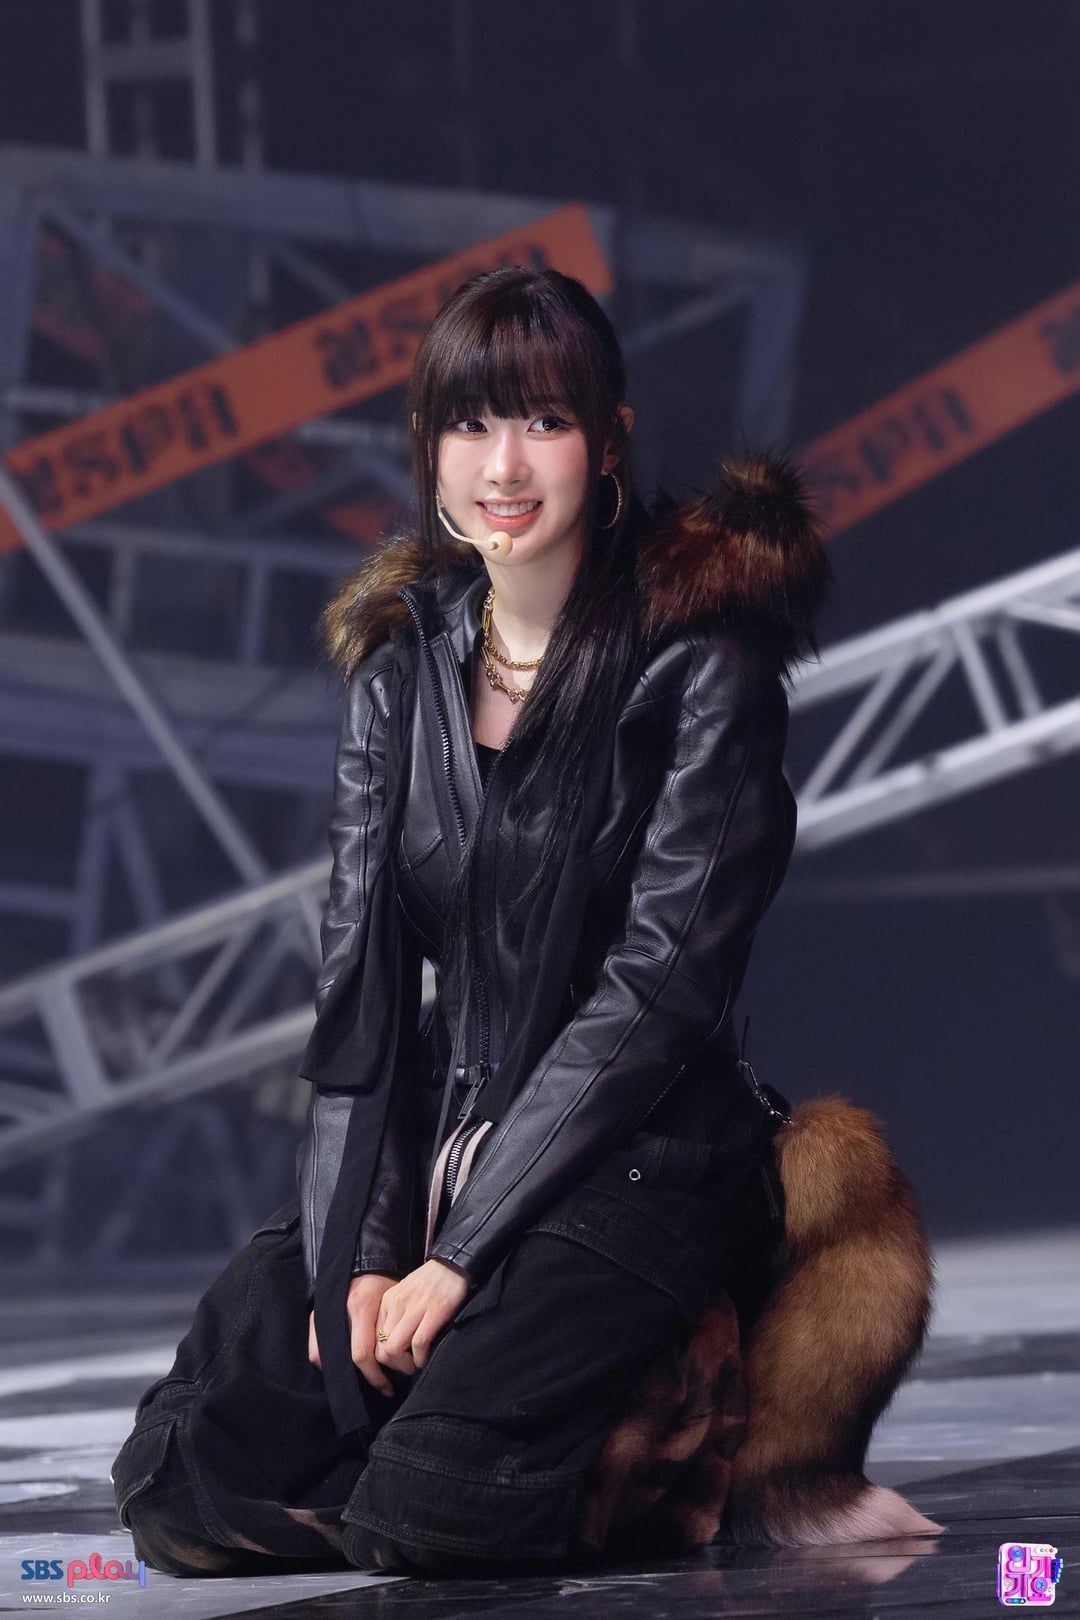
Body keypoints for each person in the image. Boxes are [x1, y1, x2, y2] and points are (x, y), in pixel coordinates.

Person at [110, 267, 936, 1579]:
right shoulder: (399, 672)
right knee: (181, 1481)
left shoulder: (704, 665)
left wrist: (460, 1258)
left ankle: (634, 1419)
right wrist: (357, 1255)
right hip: (437, 1145)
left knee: (432, 1515)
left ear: (607, 444)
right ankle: (517, 1437)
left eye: (544, 422)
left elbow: (657, 993)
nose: (503, 465)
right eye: (469, 423)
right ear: (427, 448)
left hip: (640, 1155)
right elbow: (361, 1007)